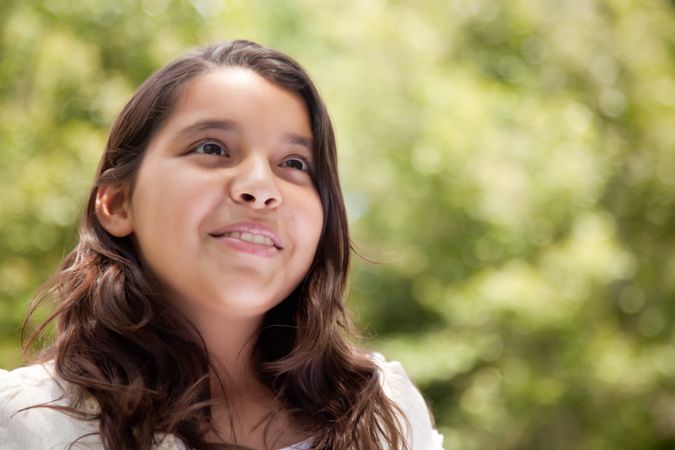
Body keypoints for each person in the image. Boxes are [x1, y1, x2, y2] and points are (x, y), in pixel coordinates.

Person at [0, 40, 444, 450]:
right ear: (117, 203)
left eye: (294, 163)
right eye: (212, 147)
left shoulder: (390, 418)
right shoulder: (23, 424)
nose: (260, 187)